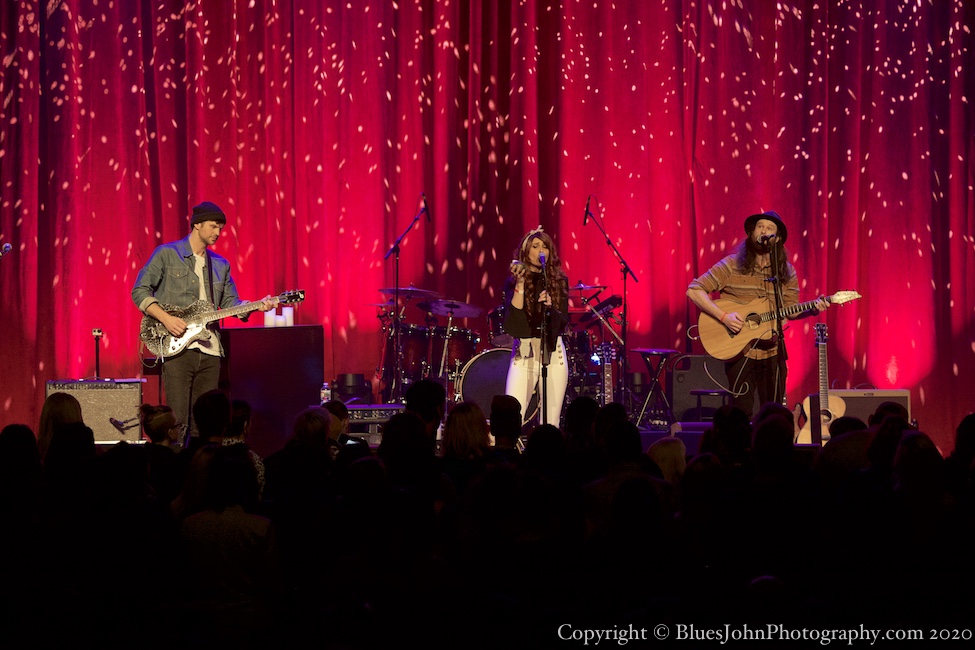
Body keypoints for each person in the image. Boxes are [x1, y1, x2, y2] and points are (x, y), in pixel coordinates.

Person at [132, 201, 273, 437]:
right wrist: (166, 319)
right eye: (213, 226)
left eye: (220, 228)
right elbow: (140, 291)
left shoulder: (220, 265)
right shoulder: (167, 254)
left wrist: (257, 306)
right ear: (196, 224)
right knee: (177, 421)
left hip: (210, 351)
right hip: (178, 348)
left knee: (206, 425)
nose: (217, 232)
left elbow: (231, 304)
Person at [687, 211, 828, 418]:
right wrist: (723, 317)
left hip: (772, 353)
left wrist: (813, 308)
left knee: (774, 415)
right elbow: (694, 290)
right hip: (740, 351)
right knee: (740, 414)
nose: (764, 231)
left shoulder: (785, 272)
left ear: (777, 238)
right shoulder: (732, 264)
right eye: (760, 227)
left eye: (770, 228)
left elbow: (790, 309)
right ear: (751, 233)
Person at [502, 226, 570, 427]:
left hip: (552, 354)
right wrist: (521, 285)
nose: (542, 251)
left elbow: (562, 324)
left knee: (550, 422)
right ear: (526, 251)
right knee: (511, 418)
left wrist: (551, 308)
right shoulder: (513, 282)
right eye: (536, 246)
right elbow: (515, 327)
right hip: (524, 355)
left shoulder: (558, 281)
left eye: (545, 247)